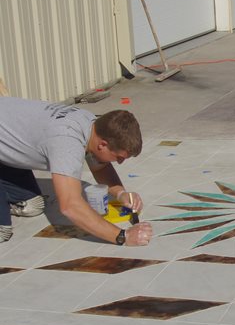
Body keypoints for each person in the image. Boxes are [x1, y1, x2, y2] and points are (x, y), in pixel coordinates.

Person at [0, 97, 153, 245]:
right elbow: (70, 206)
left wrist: (120, 193)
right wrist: (122, 236)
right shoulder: (66, 142)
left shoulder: (91, 125)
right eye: (119, 157)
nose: (120, 162)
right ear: (103, 144)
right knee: (3, 231)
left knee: (32, 206)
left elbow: (100, 165)